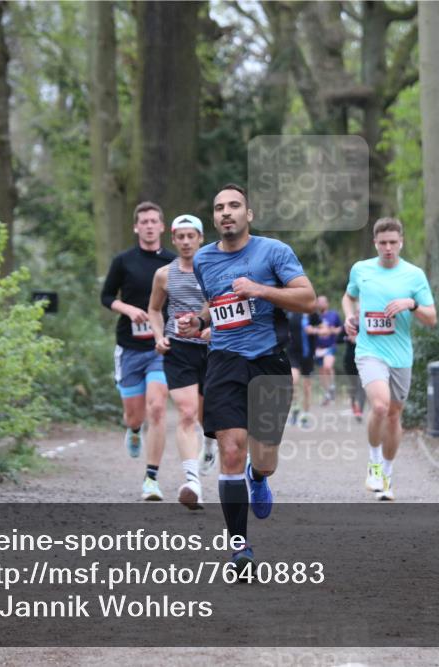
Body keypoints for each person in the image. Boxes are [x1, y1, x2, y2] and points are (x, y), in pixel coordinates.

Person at [178, 183, 316, 573]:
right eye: (219, 207)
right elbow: (216, 302)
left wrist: (259, 289)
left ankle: (259, 477)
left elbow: (306, 298)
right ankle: (239, 546)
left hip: (269, 362)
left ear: (249, 214)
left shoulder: (274, 252)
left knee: (264, 458)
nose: (226, 212)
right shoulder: (203, 260)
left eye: (234, 206)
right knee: (232, 450)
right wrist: (200, 320)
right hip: (224, 361)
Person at [342, 217, 437, 501]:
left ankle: (387, 473)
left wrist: (412, 304)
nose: (388, 248)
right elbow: (348, 297)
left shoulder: (414, 275)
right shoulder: (362, 270)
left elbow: (432, 318)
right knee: (381, 406)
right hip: (369, 350)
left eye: (393, 243)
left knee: (395, 415)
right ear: (375, 243)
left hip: (401, 355)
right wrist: (349, 315)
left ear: (401, 242)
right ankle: (373, 462)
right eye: (383, 243)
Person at [101, 201, 176, 501]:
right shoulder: (123, 261)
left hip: (160, 346)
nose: (148, 225)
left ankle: (151, 479)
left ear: (161, 227)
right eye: (143, 221)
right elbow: (106, 296)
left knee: (157, 407)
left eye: (153, 221)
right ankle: (133, 430)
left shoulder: (173, 262)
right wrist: (129, 309)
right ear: (136, 227)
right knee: (135, 416)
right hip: (129, 348)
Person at [147, 214, 219, 510]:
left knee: (208, 417)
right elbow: (153, 309)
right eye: (181, 237)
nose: (187, 242)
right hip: (179, 351)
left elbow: (224, 305)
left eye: (192, 236)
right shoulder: (164, 274)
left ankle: (210, 442)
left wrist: (211, 328)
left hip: (213, 350)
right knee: (187, 414)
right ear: (173, 240)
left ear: (201, 239)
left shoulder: (214, 270)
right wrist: (158, 336)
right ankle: (193, 483)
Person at [286, 307, 322, 427]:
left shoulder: (312, 313)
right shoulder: (290, 312)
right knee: (293, 379)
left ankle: (305, 416)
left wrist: (314, 330)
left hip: (308, 355)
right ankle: (295, 406)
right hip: (293, 353)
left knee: (307, 388)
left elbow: (325, 329)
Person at [314, 295, 342, 405]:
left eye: (322, 302)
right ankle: (327, 393)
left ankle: (332, 386)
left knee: (328, 366)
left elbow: (340, 328)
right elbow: (308, 328)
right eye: (318, 302)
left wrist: (333, 331)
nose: (320, 304)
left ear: (327, 303)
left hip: (330, 347)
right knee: (322, 372)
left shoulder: (333, 315)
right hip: (318, 348)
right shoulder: (314, 317)